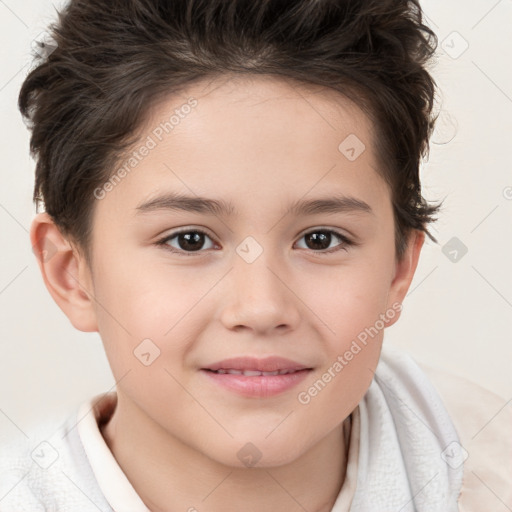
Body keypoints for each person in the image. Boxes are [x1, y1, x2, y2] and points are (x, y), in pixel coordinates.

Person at [0, 0, 510, 510]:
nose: (262, 308)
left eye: (320, 239)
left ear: (399, 270)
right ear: (72, 273)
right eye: (189, 240)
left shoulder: (487, 464)